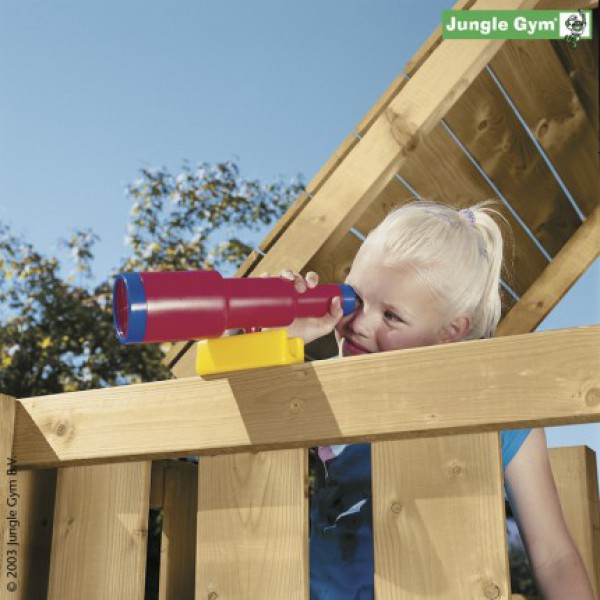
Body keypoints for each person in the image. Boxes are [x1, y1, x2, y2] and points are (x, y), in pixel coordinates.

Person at [262, 200, 594, 600]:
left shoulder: (499, 413)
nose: (361, 325)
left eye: (392, 317)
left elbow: (553, 555)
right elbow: (245, 411)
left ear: (450, 331)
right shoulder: (328, 385)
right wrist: (276, 333)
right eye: (356, 299)